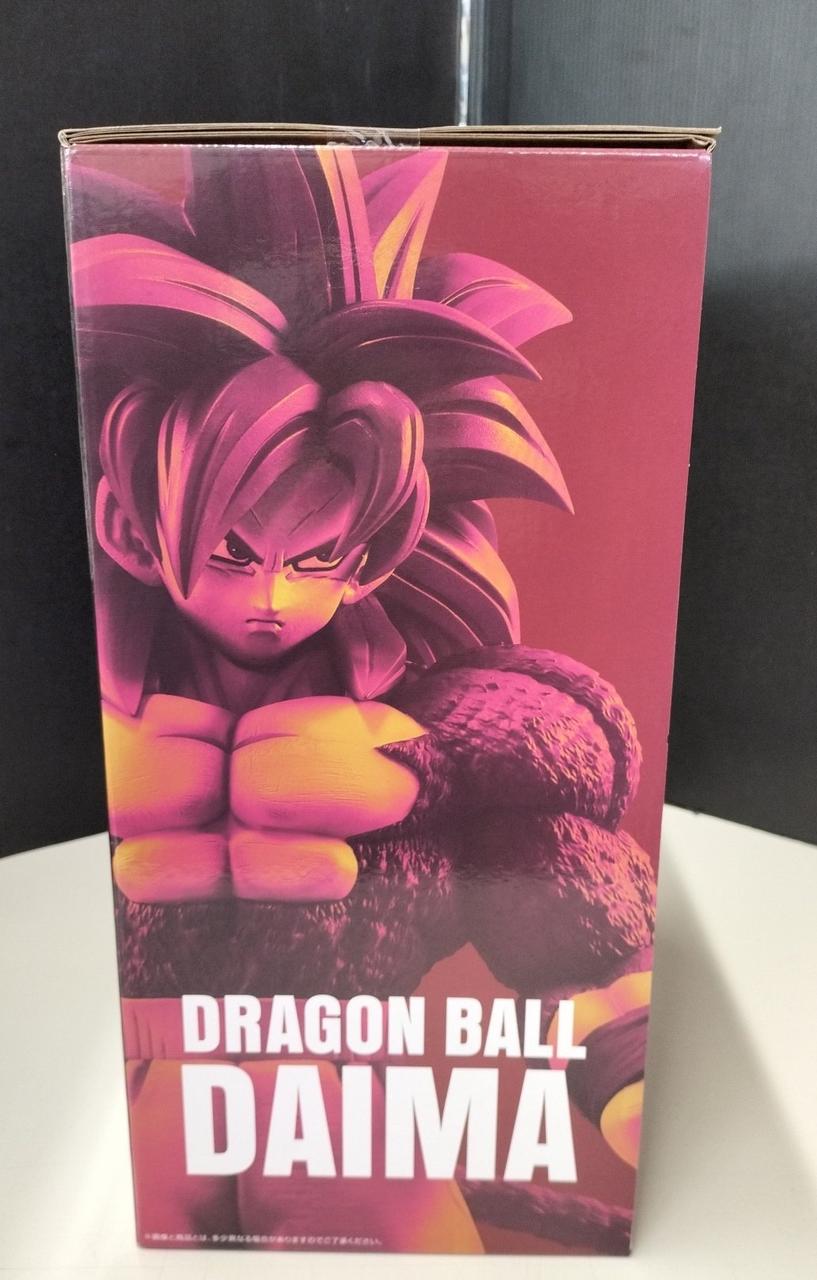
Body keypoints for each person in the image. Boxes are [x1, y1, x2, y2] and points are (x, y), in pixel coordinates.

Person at [68, 145, 655, 1253]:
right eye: (233, 552)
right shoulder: (94, 696)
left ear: (373, 552)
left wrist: (619, 1053)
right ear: (128, 527)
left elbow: (558, 865)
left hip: (343, 1094)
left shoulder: (438, 726)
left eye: (314, 558)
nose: (271, 597)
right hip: (138, 1091)